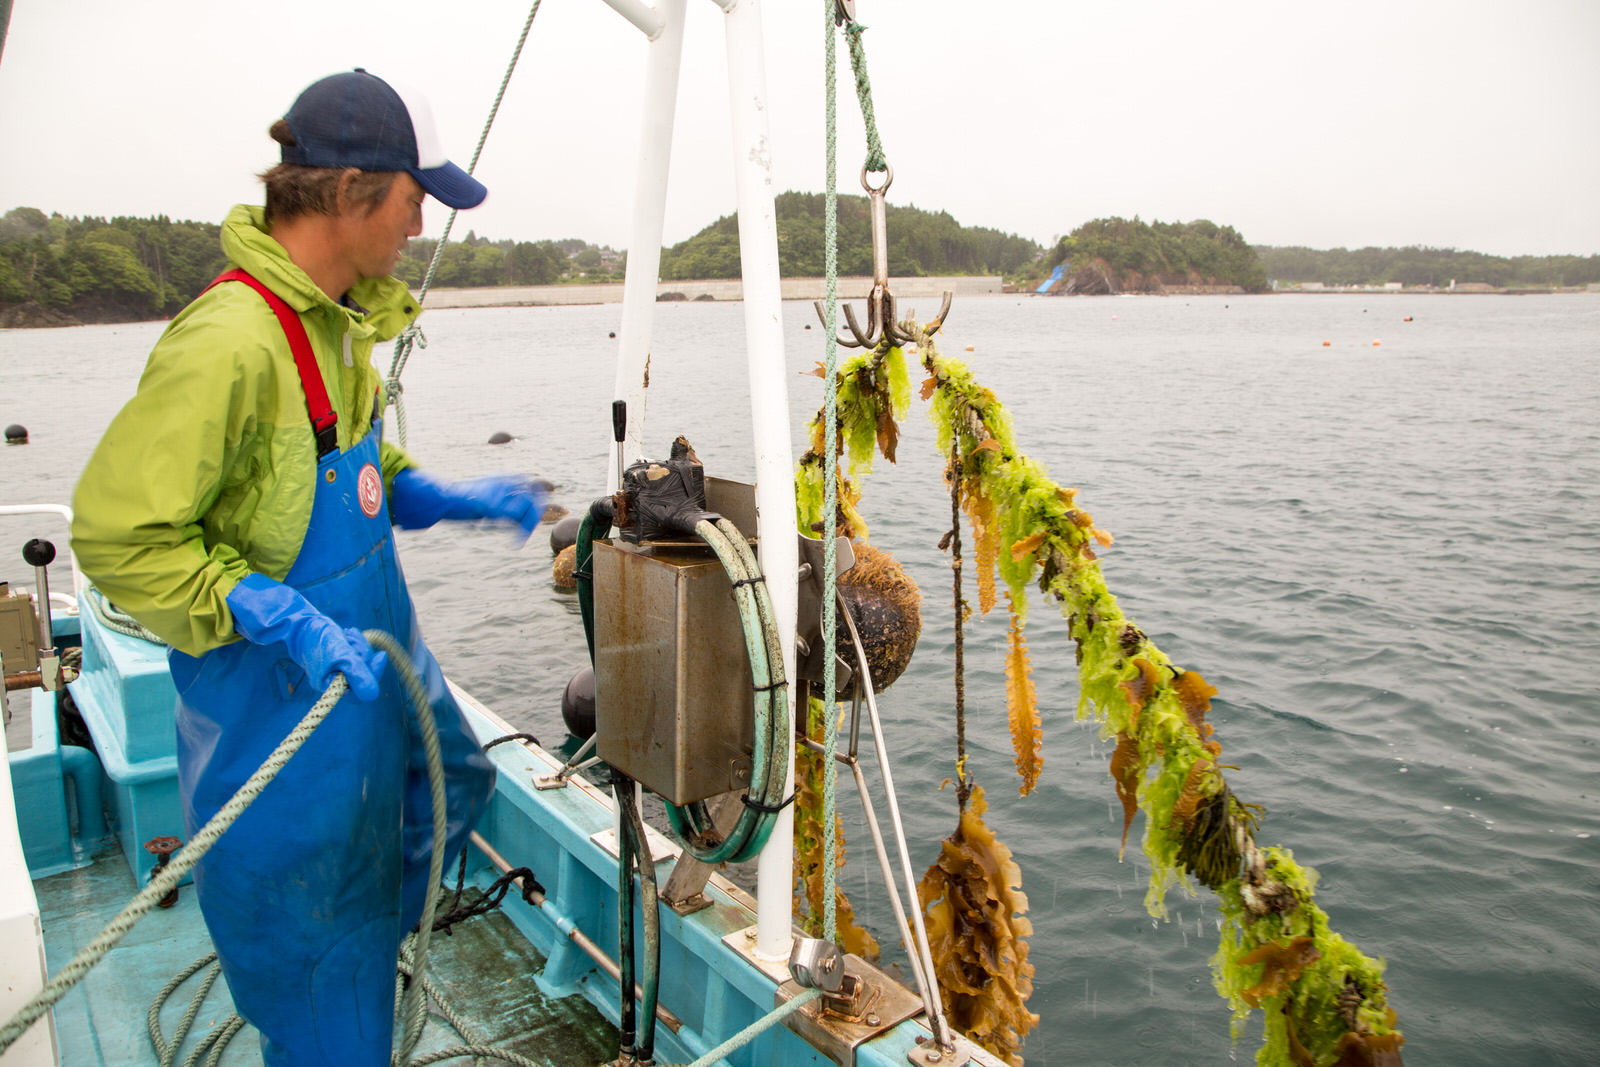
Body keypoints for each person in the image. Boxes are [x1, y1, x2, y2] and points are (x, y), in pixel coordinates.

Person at [70, 70, 544, 1066]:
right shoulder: (229, 342)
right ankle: (331, 991)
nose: (419, 223)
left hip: (377, 670)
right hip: (287, 697)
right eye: (415, 199)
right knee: (323, 972)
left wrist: (439, 494)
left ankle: (371, 941)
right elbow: (119, 538)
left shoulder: (335, 320)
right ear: (352, 191)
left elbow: (343, 464)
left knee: (457, 780)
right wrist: (265, 607)